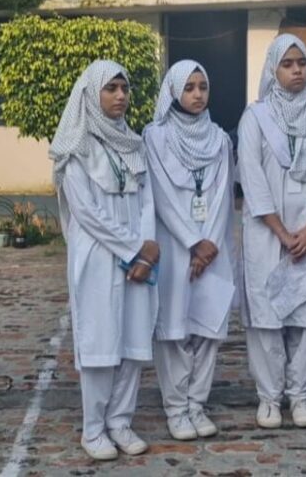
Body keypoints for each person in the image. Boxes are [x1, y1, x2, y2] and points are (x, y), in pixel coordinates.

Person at [50, 60, 158, 460]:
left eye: (124, 88)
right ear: (91, 95)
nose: (120, 96)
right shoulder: (75, 148)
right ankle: (93, 429)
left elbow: (147, 200)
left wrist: (147, 248)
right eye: (111, 88)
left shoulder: (134, 143)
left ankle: (121, 421)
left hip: (138, 257)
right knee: (100, 342)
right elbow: (86, 212)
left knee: (133, 340)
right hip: (97, 256)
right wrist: (134, 249)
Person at [237, 34, 306, 430]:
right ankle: (269, 397)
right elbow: (252, 179)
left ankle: (301, 396)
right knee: (266, 316)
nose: (297, 70)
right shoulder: (255, 118)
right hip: (267, 233)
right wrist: (282, 233)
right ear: (273, 69)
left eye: (302, 63)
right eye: (288, 64)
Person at [144, 60, 236, 441]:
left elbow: (224, 193)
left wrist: (209, 244)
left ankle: (197, 404)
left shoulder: (220, 139)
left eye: (203, 86)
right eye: (189, 87)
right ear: (173, 92)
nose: (198, 94)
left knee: (208, 327)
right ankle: (176, 409)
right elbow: (161, 195)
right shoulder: (155, 137)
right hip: (175, 245)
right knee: (174, 330)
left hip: (212, 248)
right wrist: (193, 242)